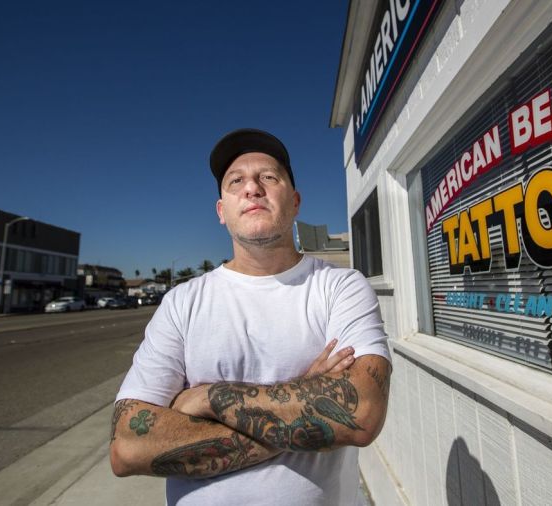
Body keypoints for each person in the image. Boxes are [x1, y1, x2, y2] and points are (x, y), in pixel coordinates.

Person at [110, 128, 391, 505]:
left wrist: (208, 398)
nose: (252, 187)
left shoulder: (340, 287)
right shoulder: (182, 303)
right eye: (236, 181)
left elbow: (359, 412)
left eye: (269, 177)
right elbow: (128, 448)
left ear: (295, 201)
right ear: (221, 212)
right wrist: (305, 396)